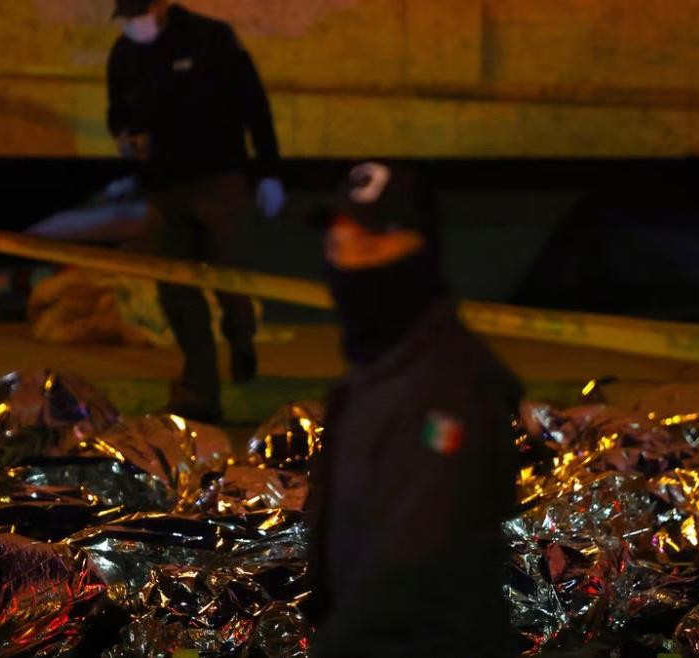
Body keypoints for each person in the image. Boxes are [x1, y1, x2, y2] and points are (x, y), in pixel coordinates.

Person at [307, 162, 523, 656]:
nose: (351, 266)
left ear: (421, 252)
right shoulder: (377, 369)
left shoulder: (450, 387)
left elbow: (414, 554)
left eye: (373, 246)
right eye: (339, 248)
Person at [107, 0, 286, 423]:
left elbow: (253, 104)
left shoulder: (211, 40)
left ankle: (241, 338)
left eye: (139, 15)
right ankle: (200, 392)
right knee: (176, 288)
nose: (134, 25)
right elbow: (117, 112)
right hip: (165, 187)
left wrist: (270, 171)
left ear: (160, 7)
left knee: (229, 274)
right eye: (127, 18)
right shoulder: (125, 53)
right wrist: (125, 137)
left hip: (220, 180)